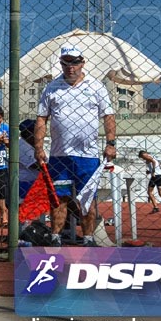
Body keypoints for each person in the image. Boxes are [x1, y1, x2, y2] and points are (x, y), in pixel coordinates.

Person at [34, 43, 116, 247]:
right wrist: (38, 147)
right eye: (66, 62)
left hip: (87, 156)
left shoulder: (96, 86)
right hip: (59, 156)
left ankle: (88, 238)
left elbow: (108, 115)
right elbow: (41, 119)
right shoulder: (51, 88)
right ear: (61, 64)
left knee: (87, 199)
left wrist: (111, 143)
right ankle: (55, 236)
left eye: (75, 62)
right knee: (58, 198)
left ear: (82, 63)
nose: (71, 66)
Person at [138, 150, 161, 215]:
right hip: (160, 176)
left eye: (142, 157)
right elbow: (158, 165)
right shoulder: (153, 157)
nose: (143, 158)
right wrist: (150, 171)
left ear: (143, 154)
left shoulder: (148, 157)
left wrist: (153, 171)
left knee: (149, 192)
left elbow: (153, 162)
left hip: (155, 176)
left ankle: (156, 207)